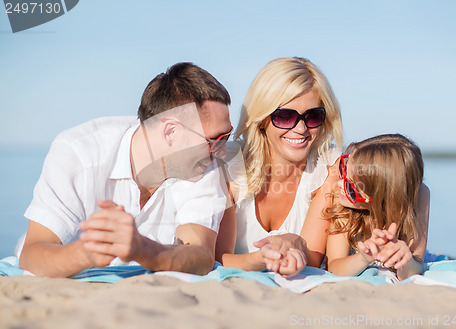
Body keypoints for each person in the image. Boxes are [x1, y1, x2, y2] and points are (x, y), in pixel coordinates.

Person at [18, 62, 234, 278]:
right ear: (170, 132)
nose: (222, 152)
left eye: (227, 137)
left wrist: (142, 249)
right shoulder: (79, 153)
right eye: (215, 140)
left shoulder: (203, 164)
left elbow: (201, 255)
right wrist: (89, 251)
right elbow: (32, 254)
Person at [217, 57, 343, 276]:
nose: (301, 129)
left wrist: (296, 243)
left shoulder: (328, 167)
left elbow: (312, 260)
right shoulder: (226, 165)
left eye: (313, 116)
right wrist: (260, 258)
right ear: (262, 119)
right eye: (285, 116)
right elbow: (217, 258)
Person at [301, 134, 430, 280]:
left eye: (350, 188)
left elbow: (417, 265)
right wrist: (364, 257)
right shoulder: (342, 201)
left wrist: (404, 260)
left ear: (381, 197)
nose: (338, 185)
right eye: (343, 170)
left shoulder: (420, 194)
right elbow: (335, 267)